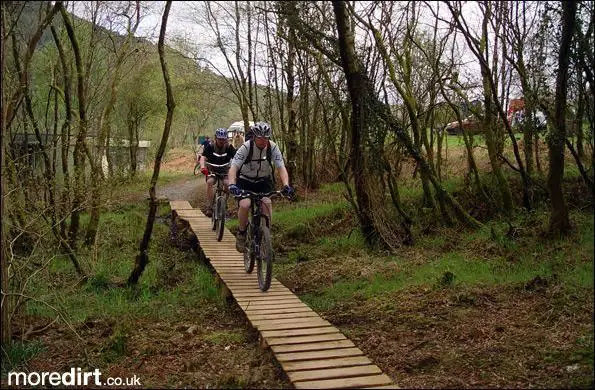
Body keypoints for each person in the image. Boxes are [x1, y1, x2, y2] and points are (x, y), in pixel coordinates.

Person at [228, 121, 294, 253]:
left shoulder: (273, 147)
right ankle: (241, 232)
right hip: (245, 181)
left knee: (267, 203)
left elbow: (281, 168)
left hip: (264, 181)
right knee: (245, 204)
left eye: (266, 138)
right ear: (254, 137)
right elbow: (234, 167)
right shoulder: (246, 147)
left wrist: (286, 185)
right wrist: (232, 184)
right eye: (260, 138)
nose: (263, 140)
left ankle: (266, 236)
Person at [200, 128, 236, 217]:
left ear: (226, 139)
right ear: (216, 138)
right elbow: (203, 157)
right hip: (213, 170)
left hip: (225, 171)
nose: (221, 141)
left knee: (228, 184)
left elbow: (237, 158)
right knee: (209, 183)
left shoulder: (229, 147)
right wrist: (203, 167)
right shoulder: (210, 147)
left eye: (223, 139)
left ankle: (224, 202)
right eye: (220, 139)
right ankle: (210, 207)